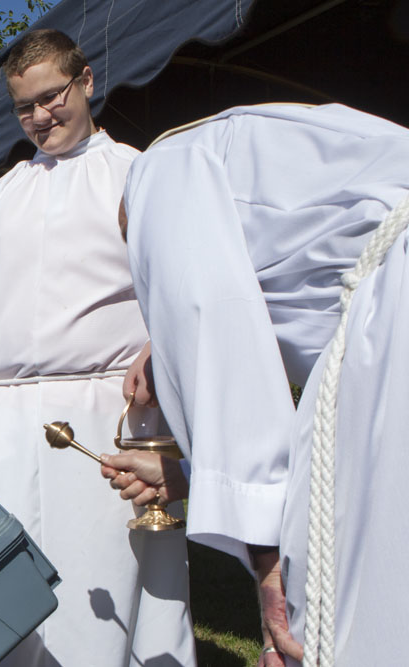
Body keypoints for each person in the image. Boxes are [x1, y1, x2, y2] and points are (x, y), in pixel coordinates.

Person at [0, 29, 196, 666]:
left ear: (86, 82)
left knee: (100, 606)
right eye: (24, 107)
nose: (40, 117)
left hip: (104, 421)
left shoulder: (139, 175)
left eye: (52, 97)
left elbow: (186, 293)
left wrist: (160, 346)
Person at [104, 103, 409, 666]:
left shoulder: (160, 170)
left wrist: (271, 577)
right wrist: (185, 472)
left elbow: (214, 328)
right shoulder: (244, 145)